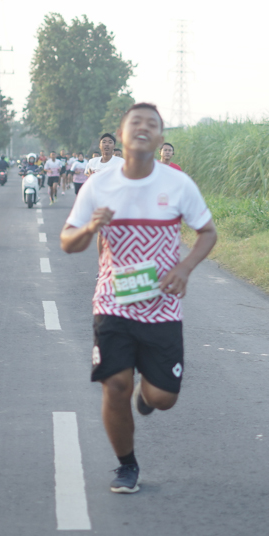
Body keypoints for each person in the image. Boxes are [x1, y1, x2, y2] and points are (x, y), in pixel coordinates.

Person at [61, 103, 217, 494]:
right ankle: (126, 465)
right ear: (121, 134)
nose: (144, 127)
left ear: (161, 138)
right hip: (112, 301)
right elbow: (68, 241)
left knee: (163, 398)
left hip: (162, 305)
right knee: (115, 385)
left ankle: (147, 396)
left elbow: (208, 232)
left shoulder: (178, 184)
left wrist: (185, 269)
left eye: (152, 123)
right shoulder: (99, 185)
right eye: (136, 122)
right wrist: (91, 227)